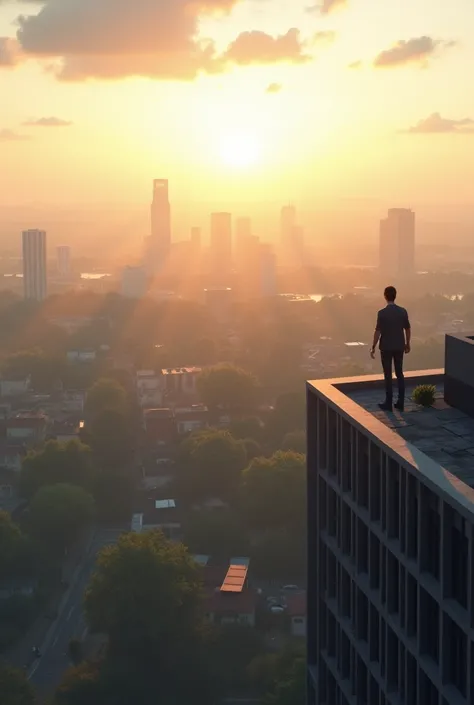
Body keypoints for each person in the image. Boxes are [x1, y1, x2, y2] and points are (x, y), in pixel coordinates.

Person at [370, 286, 411, 411]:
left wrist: (373, 346)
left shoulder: (382, 313)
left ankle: (388, 403)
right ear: (395, 296)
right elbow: (407, 329)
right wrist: (407, 343)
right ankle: (401, 402)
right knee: (399, 373)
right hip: (399, 346)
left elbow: (378, 331)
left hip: (386, 347)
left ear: (385, 296)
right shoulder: (402, 311)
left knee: (388, 375)